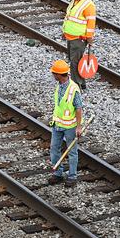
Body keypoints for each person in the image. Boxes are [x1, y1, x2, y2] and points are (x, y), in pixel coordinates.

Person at [48, 59, 83, 187]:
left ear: (58, 75)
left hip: (70, 126)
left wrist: (78, 127)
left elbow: (78, 108)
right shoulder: (59, 86)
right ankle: (58, 173)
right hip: (57, 124)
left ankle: (72, 176)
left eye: (54, 73)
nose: (52, 75)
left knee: (72, 151)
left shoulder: (73, 89)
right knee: (54, 149)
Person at [62, 0, 96, 90]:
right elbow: (69, 18)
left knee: (75, 62)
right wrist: (65, 31)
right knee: (74, 60)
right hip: (71, 37)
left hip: (79, 38)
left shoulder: (88, 5)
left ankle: (76, 84)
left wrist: (89, 37)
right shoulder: (74, 2)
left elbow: (91, 22)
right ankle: (80, 82)